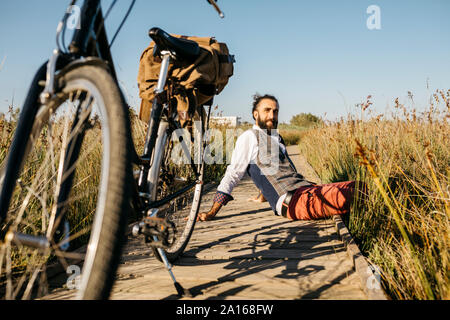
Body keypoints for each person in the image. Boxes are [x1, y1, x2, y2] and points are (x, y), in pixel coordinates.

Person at [197, 94, 357, 222]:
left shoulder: (277, 138)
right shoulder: (249, 136)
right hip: (292, 201)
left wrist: (262, 196)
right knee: (355, 195)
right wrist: (212, 212)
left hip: (307, 190)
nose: (272, 115)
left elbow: (274, 173)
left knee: (360, 187)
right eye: (267, 110)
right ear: (255, 114)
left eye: (275, 111)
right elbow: (233, 174)